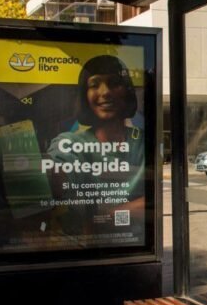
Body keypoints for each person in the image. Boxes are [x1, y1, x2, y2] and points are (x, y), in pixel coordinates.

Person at [46, 55, 145, 247]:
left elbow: (154, 198)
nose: (105, 92)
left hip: (132, 246)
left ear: (127, 91)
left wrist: (108, 214)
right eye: (94, 84)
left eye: (114, 83)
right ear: (84, 94)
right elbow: (57, 179)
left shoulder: (141, 140)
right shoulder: (69, 142)